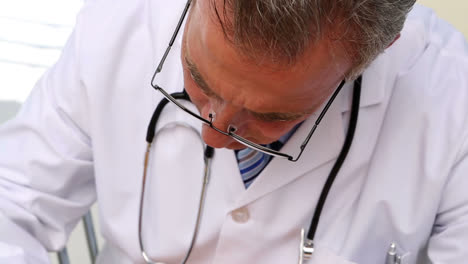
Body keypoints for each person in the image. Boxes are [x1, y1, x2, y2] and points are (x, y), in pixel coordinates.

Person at [1, 0, 467, 263]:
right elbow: (11, 202)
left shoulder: (451, 99)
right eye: (197, 80)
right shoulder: (119, 23)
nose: (214, 136)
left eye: (273, 114)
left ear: (381, 48)